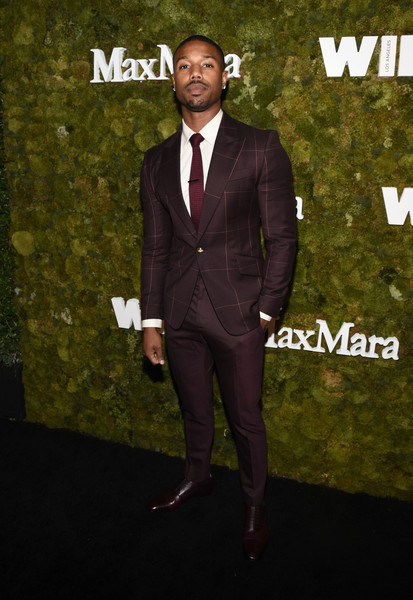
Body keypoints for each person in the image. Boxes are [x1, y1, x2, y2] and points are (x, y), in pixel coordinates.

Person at [140, 35, 297, 560]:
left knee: (246, 418)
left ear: (225, 78)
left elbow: (282, 237)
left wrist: (267, 310)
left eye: (207, 64)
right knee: (194, 407)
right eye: (185, 65)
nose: (196, 73)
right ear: (174, 81)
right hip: (180, 309)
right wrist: (151, 319)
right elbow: (156, 246)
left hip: (239, 312)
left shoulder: (259, 145)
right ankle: (198, 477)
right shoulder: (156, 161)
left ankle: (254, 506)